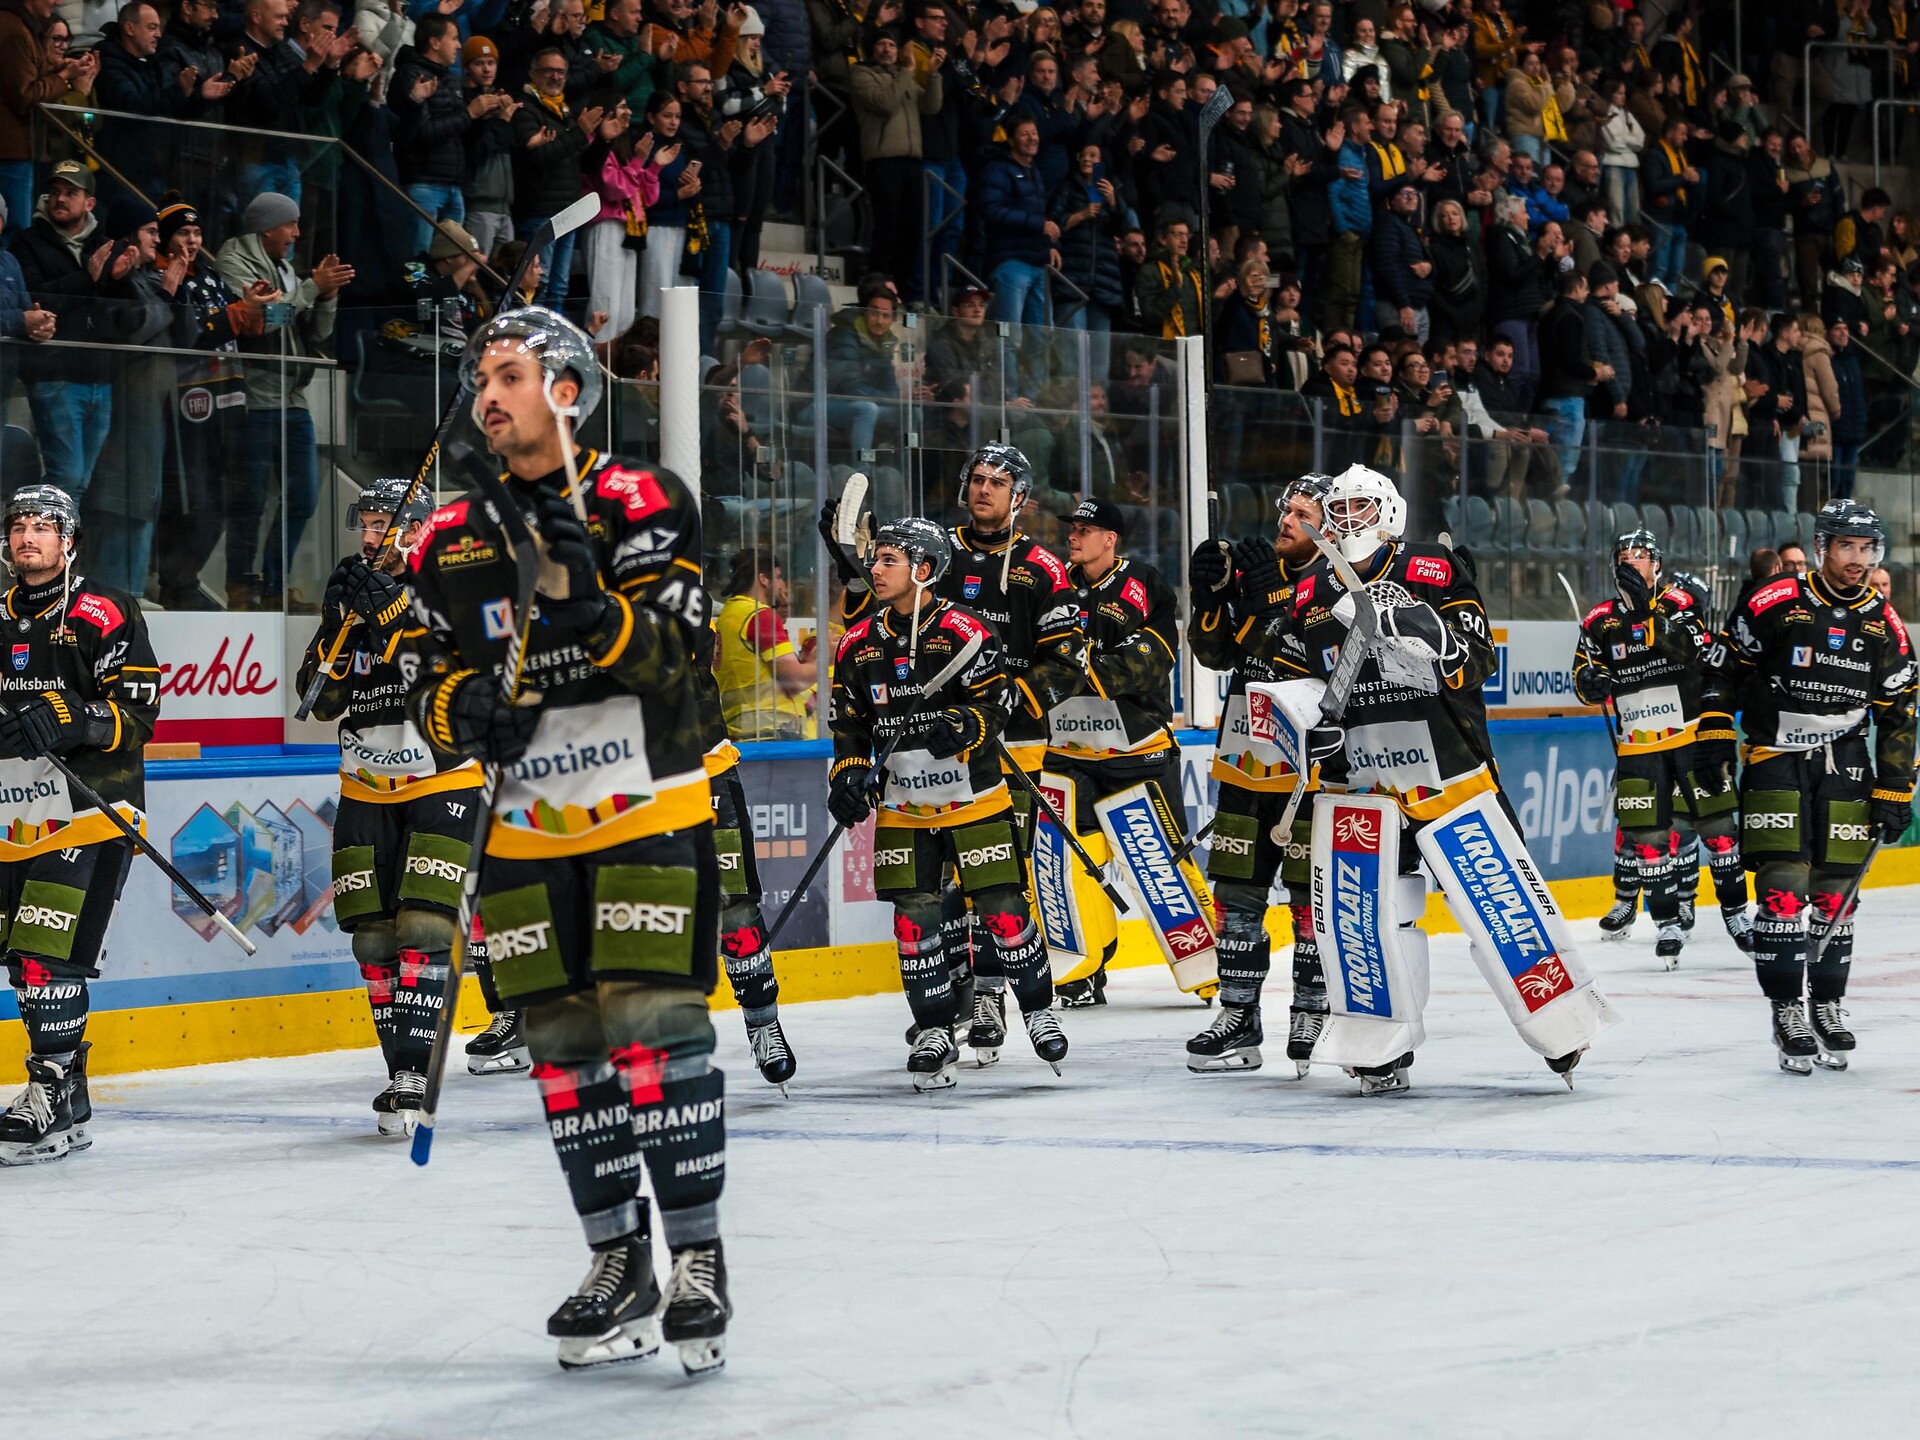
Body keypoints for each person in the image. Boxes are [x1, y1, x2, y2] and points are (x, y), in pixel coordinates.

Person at [401, 307, 731, 1373]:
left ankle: (695, 1257)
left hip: (647, 808)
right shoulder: (451, 539)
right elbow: (425, 681)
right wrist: (459, 711)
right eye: (478, 379)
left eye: (509, 374)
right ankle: (616, 1257)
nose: (486, 396)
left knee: (649, 1022)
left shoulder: (643, 501)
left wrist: (599, 613)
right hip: (525, 831)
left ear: (570, 392)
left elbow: (680, 662)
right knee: (562, 1049)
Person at [1244, 464, 1616, 1093]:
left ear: (1390, 511)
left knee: (1499, 907)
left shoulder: (1432, 569)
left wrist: (1435, 638)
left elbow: (1475, 662)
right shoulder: (1308, 594)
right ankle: (1379, 1042)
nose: (1346, 518)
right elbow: (1280, 685)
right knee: (1366, 916)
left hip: (1448, 774)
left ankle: (1561, 1020)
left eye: (1361, 506)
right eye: (1337, 507)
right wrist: (1306, 726)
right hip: (1357, 785)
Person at [825, 444, 1078, 1058]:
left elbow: (1066, 662)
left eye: (997, 482)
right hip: (917, 761)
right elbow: (876, 640)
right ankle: (947, 1007)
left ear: (1021, 497)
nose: (983, 490)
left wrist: (982, 717)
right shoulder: (936, 548)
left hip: (1008, 744)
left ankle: (993, 995)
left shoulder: (1042, 568)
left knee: (996, 885)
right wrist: (855, 568)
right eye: (976, 480)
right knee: (930, 895)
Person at [296, 478, 494, 1124]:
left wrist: (397, 616)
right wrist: (339, 630)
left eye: (386, 524)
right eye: (368, 524)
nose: (372, 535)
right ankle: (400, 1071)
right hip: (364, 781)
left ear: (419, 529)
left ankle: (415, 1072)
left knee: (425, 927)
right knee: (373, 940)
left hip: (444, 778)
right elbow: (316, 702)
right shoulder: (350, 591)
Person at [1699, 500, 1917, 1074]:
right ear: (1822, 547)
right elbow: (1724, 670)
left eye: (1868, 549)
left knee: (1837, 896)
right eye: (1847, 546)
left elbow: (1900, 711)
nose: (1858, 560)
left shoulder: (1883, 622)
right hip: (1776, 758)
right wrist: (1716, 735)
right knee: (1784, 889)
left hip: (1845, 763)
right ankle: (1785, 1008)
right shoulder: (1775, 600)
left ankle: (1826, 1003)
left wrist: (1895, 788)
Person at [0, 486, 160, 1164]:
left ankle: (51, 1087)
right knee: (22, 964)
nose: (29, 537)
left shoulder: (105, 610)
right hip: (13, 816)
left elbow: (139, 715)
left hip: (92, 811)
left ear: (70, 540)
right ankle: (69, 1099)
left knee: (45, 958)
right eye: (19, 526)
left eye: (44, 527)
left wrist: (72, 718)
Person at [1022, 498, 1217, 1006]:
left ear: (1111, 538)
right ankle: (1080, 973)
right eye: (1072, 529)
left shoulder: (1143, 582)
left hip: (1137, 751)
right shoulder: (1054, 585)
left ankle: (1209, 969)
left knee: (1161, 864)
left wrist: (1074, 667)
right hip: (1067, 752)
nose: (1074, 536)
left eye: (1085, 530)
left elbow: (1152, 657)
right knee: (1067, 866)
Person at [1185, 475, 1332, 1074]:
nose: (1286, 520)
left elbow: (1311, 661)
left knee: (1307, 900)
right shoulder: (1258, 575)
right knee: (1236, 897)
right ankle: (1239, 1014)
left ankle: (1313, 1009)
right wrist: (1211, 596)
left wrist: (1272, 602)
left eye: (1302, 513)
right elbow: (1215, 654)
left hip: (1310, 775)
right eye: (1285, 510)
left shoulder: (1337, 589)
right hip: (1246, 761)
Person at [1572, 529, 1749, 967]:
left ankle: (1737, 915)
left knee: (1719, 830)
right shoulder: (1598, 619)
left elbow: (1691, 650)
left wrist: (1647, 612)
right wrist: (1589, 685)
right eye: (1624, 556)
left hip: (1689, 738)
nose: (1632, 562)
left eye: (1642, 556)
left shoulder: (1679, 603)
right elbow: (1581, 673)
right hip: (1637, 744)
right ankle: (1667, 924)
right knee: (1649, 841)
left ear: (1658, 564)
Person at [216, 190, 354, 611]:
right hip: (256, 400)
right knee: (251, 500)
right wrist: (313, 287)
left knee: (303, 498)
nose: (296, 233)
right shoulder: (233, 261)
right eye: (290, 225)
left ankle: (276, 585)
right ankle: (240, 587)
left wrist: (326, 297)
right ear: (269, 226)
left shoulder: (285, 270)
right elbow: (265, 321)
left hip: (294, 400)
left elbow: (315, 333)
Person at [512, 46, 605, 307]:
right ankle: (537, 344)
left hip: (567, 213)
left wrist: (603, 139)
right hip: (539, 213)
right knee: (538, 286)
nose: (555, 77)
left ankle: (555, 345)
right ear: (533, 74)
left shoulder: (564, 113)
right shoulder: (524, 110)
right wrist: (579, 133)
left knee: (559, 287)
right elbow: (537, 159)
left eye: (561, 72)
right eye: (548, 71)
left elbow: (580, 162)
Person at [390, 13, 475, 257]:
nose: (459, 45)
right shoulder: (410, 75)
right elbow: (422, 133)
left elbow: (458, 130)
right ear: (434, 42)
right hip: (423, 183)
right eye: (454, 38)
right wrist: (470, 114)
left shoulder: (450, 78)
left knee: (453, 261)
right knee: (418, 262)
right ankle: (413, 298)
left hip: (453, 184)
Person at [715, 547, 815, 740]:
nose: (781, 584)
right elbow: (794, 680)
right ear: (763, 579)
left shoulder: (727, 617)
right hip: (772, 729)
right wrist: (826, 660)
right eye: (778, 577)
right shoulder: (760, 616)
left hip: (741, 731)